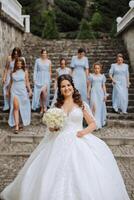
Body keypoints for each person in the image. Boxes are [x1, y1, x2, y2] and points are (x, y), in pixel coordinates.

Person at [0, 74, 130, 200]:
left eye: (68, 85)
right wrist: (53, 127)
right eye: (63, 86)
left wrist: (83, 132)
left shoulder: (81, 104)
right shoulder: (57, 107)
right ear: (60, 90)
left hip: (79, 139)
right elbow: (52, 128)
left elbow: (93, 124)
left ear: (72, 86)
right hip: (59, 141)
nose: (66, 88)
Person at [8, 58, 32, 133]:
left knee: (22, 108)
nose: (19, 64)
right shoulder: (12, 72)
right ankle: (16, 126)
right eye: (18, 63)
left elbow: (27, 82)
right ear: (16, 64)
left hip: (22, 91)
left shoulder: (25, 71)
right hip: (14, 90)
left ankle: (20, 123)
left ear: (22, 64)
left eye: (20, 63)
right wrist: (8, 91)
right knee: (15, 107)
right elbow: (11, 83)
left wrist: (30, 90)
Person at [87, 62, 107, 129]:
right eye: (95, 68)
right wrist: (88, 94)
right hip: (93, 92)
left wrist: (105, 94)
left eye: (98, 68)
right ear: (94, 69)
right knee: (94, 107)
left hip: (100, 93)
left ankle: (98, 124)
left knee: (99, 108)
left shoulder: (102, 76)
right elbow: (89, 86)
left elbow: (103, 86)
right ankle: (93, 124)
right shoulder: (91, 76)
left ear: (100, 69)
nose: (97, 69)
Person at [32, 48, 52, 114]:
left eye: (45, 53)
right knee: (40, 93)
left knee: (44, 91)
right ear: (41, 54)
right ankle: (42, 107)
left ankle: (45, 106)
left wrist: (49, 80)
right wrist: (34, 79)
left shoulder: (49, 61)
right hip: (38, 78)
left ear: (47, 54)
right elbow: (35, 70)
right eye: (43, 53)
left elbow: (50, 72)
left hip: (46, 78)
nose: (44, 54)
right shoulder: (37, 61)